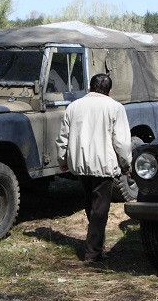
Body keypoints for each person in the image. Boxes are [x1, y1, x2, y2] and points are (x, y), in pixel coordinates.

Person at [56, 73, 132, 262]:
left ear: (90, 88)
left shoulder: (73, 106)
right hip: (103, 164)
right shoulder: (115, 107)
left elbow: (62, 137)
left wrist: (62, 160)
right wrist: (125, 164)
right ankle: (93, 252)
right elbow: (121, 142)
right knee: (100, 208)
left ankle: (94, 242)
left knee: (90, 203)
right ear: (110, 91)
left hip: (80, 163)